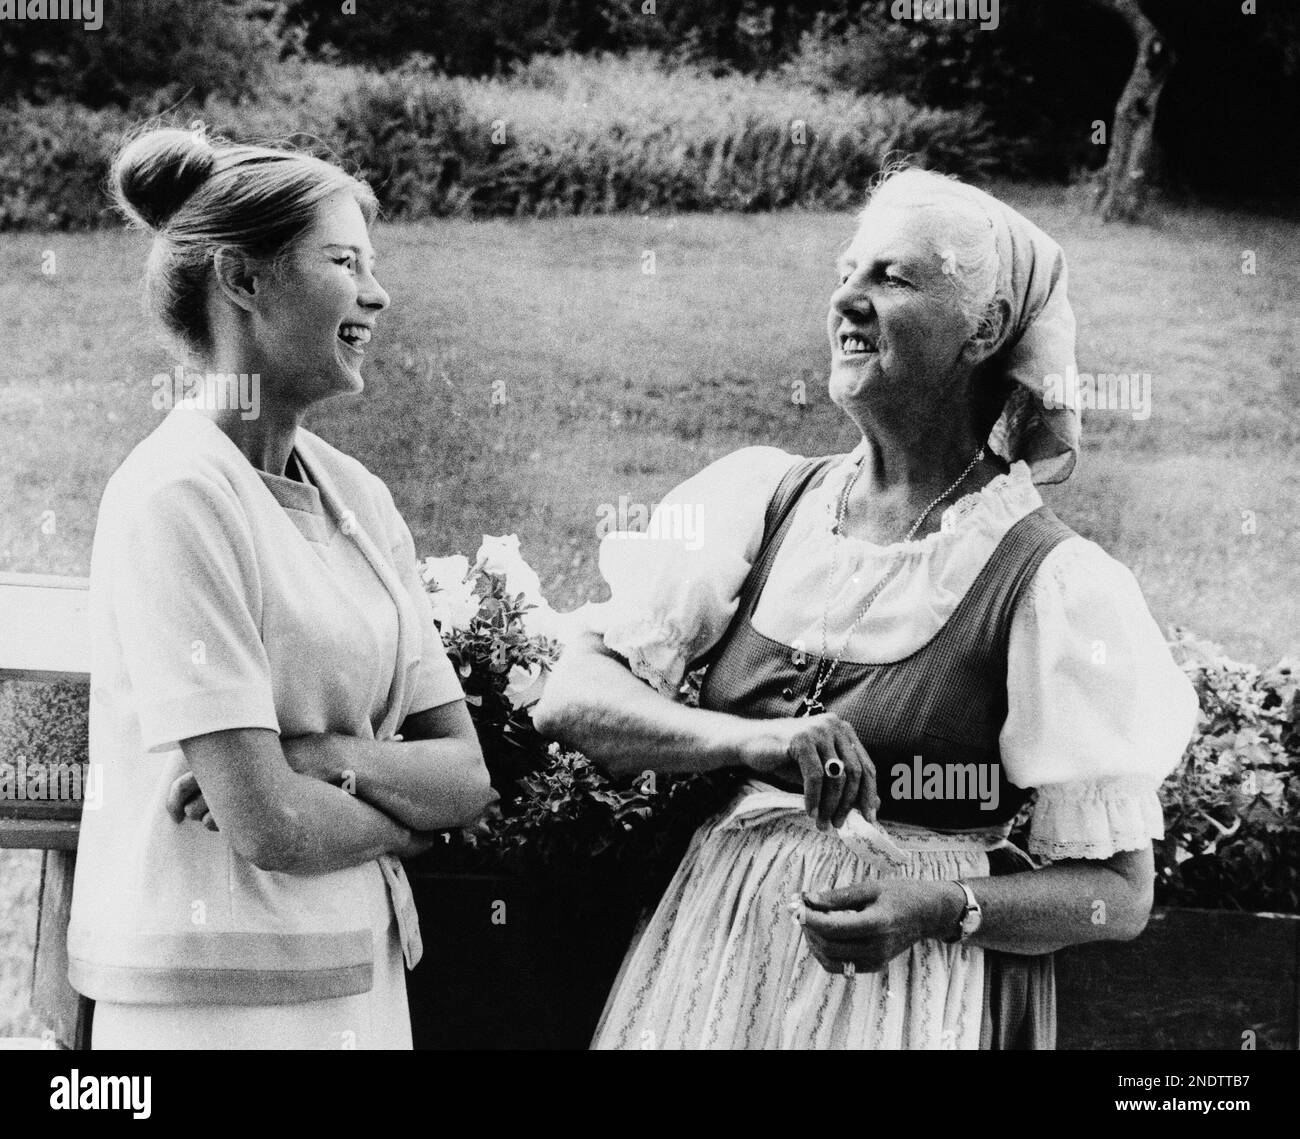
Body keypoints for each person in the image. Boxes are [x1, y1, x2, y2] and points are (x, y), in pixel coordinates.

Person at [533, 167, 1199, 1050]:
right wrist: (748, 740)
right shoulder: (762, 498)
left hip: (904, 998)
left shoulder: (1053, 582)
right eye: (848, 270)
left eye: (892, 277)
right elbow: (571, 699)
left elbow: (1118, 892)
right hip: (718, 960)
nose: (847, 297)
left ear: (986, 329)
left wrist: (938, 905)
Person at [66, 127, 495, 1049]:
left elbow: (465, 775)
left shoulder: (363, 500)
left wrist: (319, 754)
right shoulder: (177, 494)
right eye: (344, 261)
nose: (377, 293)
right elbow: (269, 825)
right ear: (243, 280)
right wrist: (402, 820)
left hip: (359, 981)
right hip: (214, 1006)